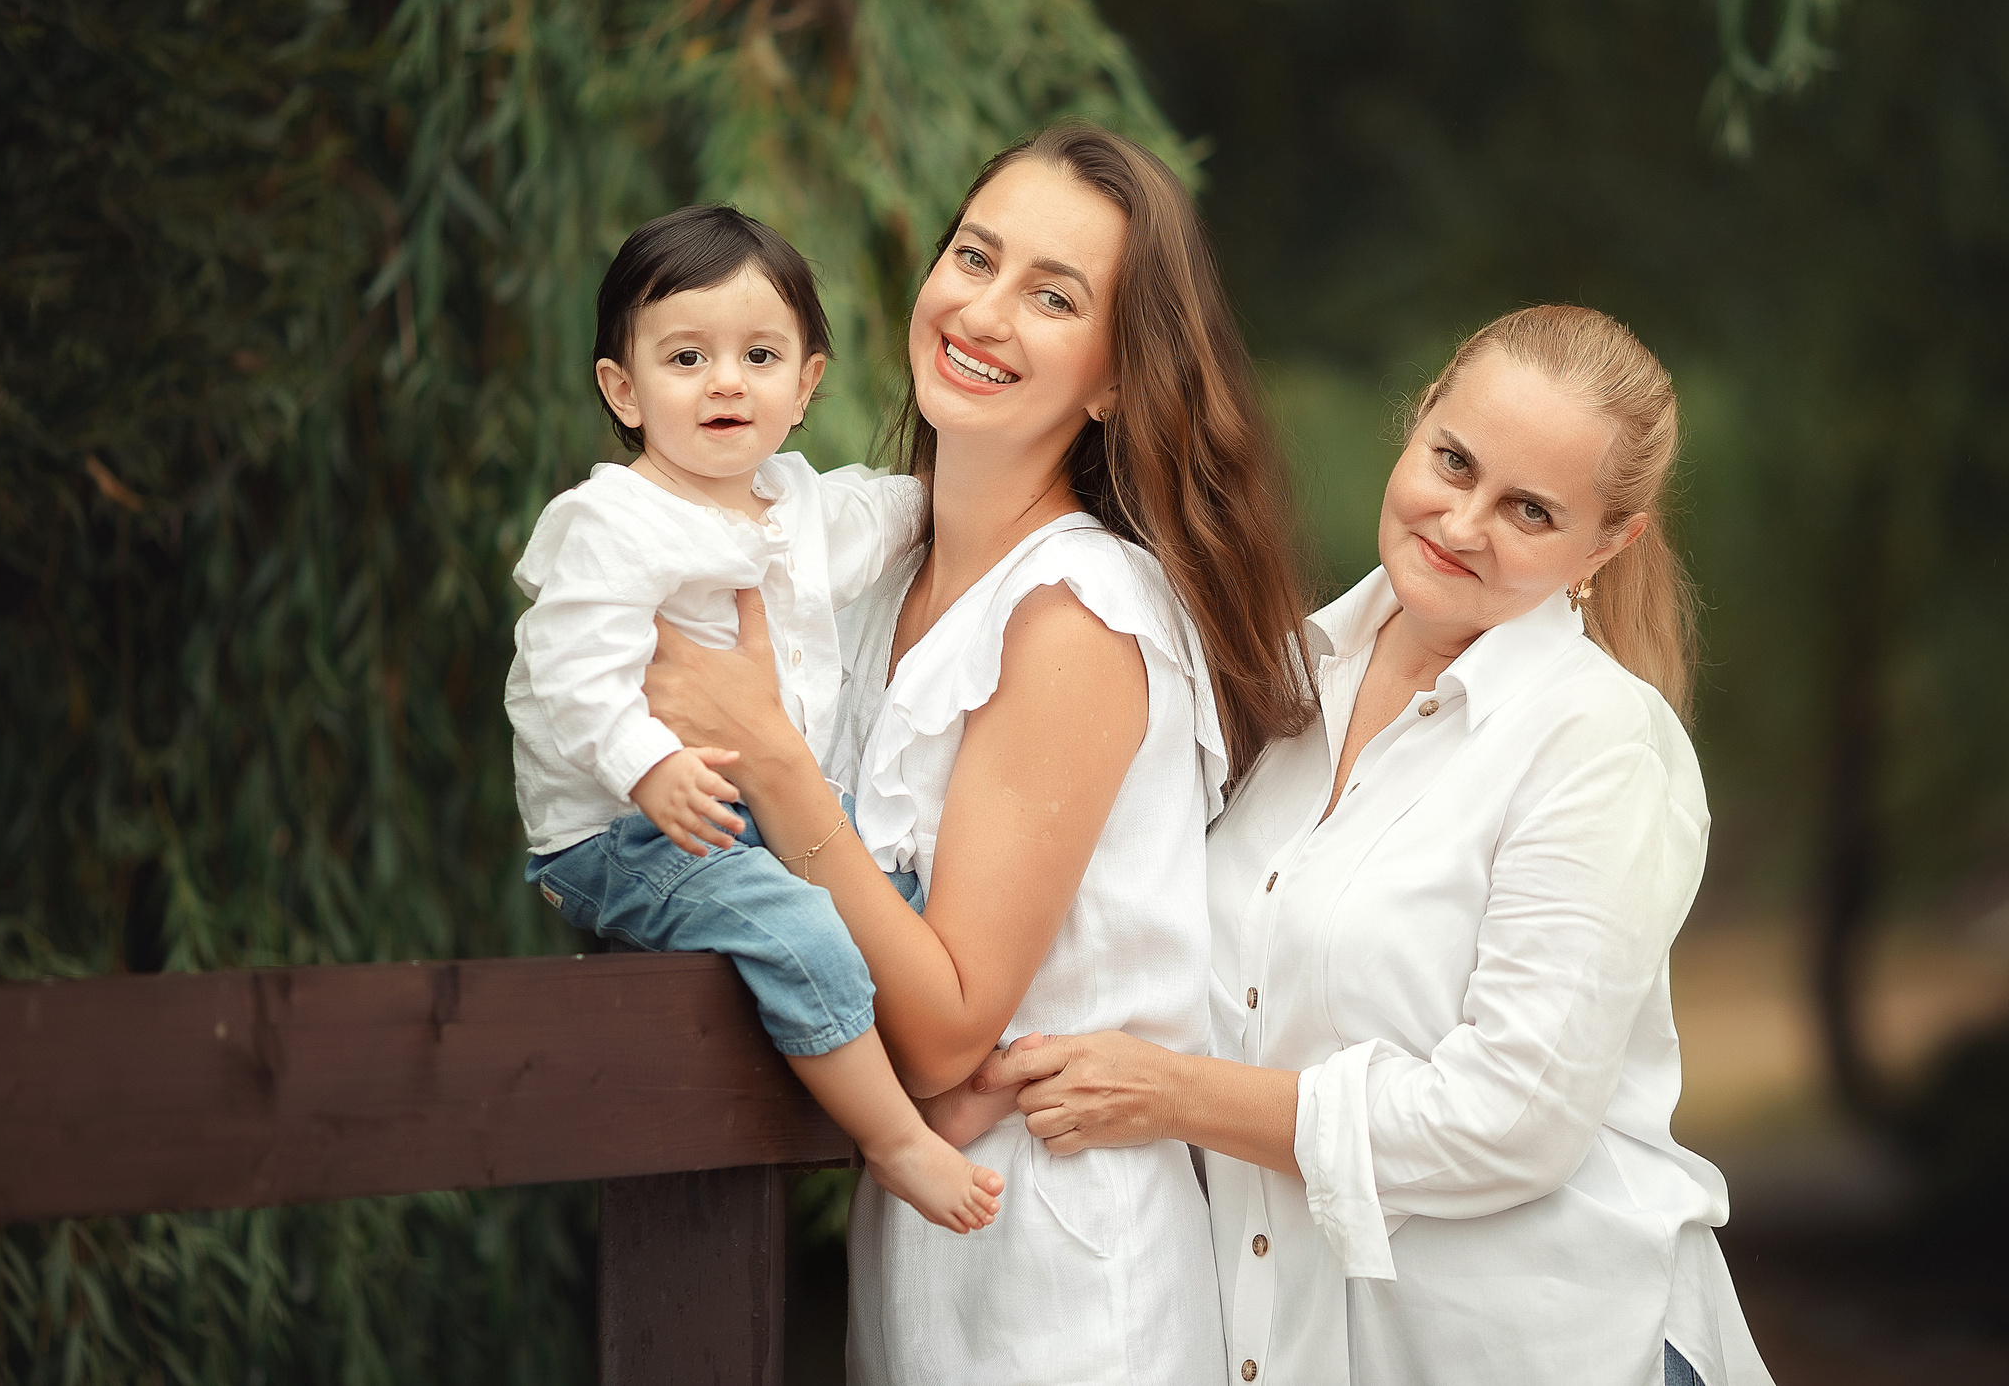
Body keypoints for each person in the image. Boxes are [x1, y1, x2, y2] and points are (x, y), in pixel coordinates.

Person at [982, 305, 1778, 1386]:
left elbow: (1512, 1120)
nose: (1461, 523)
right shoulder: (1286, 680)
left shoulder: (1597, 744)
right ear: (1415, 427)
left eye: (1529, 510)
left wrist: (1170, 1096)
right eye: (1452, 462)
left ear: (1606, 544)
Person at [637, 123, 1315, 1386]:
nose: (984, 311)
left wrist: (775, 768)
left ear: (1116, 378)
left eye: (1053, 296)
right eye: (974, 256)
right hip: (929, 1253)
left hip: (1063, 1284)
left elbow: (946, 1029)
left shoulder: (1070, 613)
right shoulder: (880, 573)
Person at [507, 204, 1003, 1234]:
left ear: (805, 383)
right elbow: (568, 667)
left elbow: (901, 509)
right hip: (623, 832)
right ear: (623, 389)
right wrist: (647, 766)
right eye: (686, 357)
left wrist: (1004, 486)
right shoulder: (614, 522)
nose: (725, 380)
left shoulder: (800, 505)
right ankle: (894, 1139)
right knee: (798, 924)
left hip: (750, 811)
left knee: (898, 890)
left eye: (758, 354)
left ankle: (921, 1084)